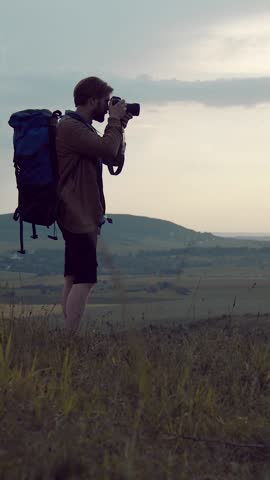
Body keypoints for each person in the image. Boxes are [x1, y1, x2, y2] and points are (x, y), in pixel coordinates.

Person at [55, 76, 133, 333]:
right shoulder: (71, 128)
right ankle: (69, 339)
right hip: (78, 214)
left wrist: (119, 124)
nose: (107, 106)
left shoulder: (81, 127)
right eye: (105, 102)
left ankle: (66, 337)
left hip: (78, 211)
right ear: (91, 100)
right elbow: (108, 151)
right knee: (86, 279)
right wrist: (114, 121)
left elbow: (112, 155)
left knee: (73, 276)